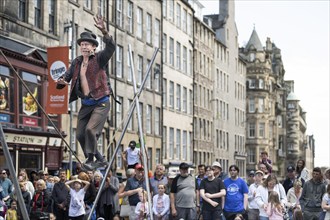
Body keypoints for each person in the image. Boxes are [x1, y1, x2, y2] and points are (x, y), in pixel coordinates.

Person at [56, 15, 116, 170]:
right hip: (86, 103)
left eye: (87, 44)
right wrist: (62, 81)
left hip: (101, 101)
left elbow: (111, 47)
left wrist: (104, 30)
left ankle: (90, 158)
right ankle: (101, 160)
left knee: (90, 129)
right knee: (80, 135)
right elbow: (67, 76)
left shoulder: (99, 58)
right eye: (82, 44)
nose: (84, 47)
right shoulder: (76, 62)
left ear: (93, 47)